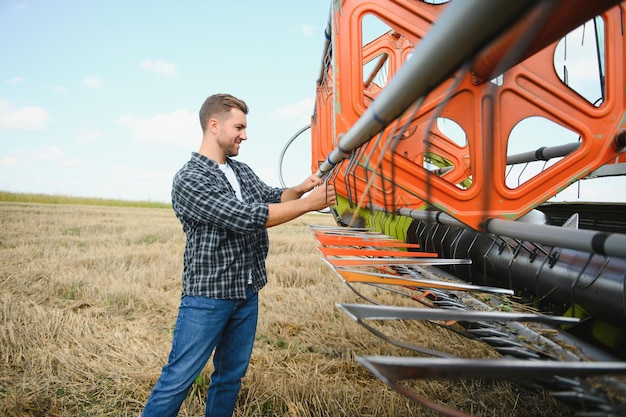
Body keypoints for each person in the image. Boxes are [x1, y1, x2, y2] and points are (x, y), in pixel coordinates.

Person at [141, 93, 336, 417]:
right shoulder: (190, 179)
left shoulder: (240, 170)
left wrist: (300, 190)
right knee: (178, 378)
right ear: (214, 125)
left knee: (230, 377)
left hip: (247, 292)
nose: (245, 135)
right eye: (239, 127)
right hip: (209, 296)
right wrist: (309, 204)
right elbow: (245, 216)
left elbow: (273, 197)